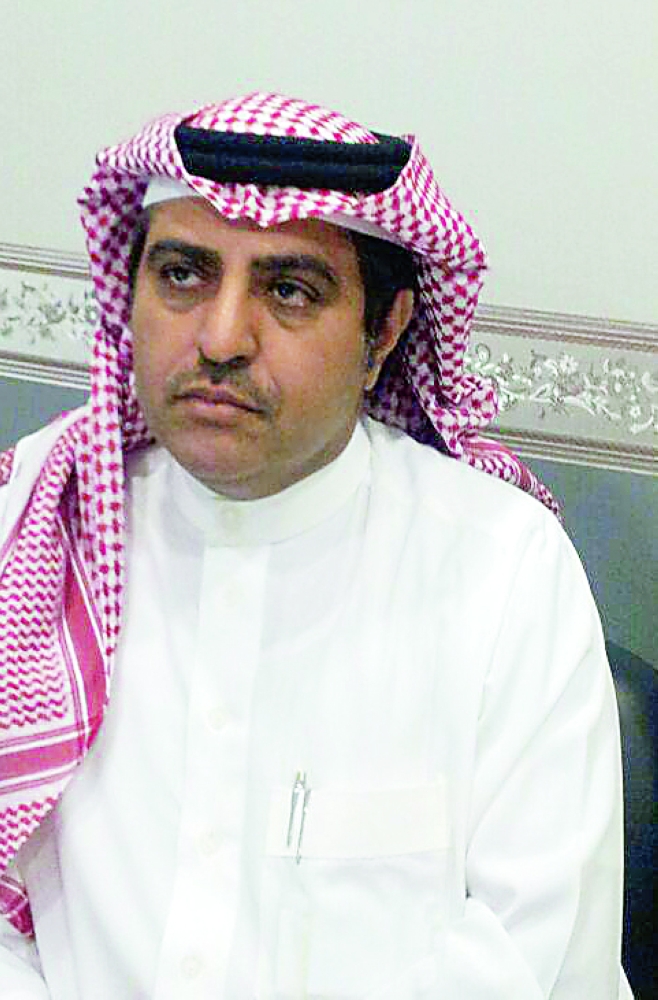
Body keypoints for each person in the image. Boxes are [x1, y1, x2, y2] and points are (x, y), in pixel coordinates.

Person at [0, 92, 631, 998]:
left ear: (384, 334)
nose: (221, 338)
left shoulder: (502, 571)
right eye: (182, 274)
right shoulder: (32, 524)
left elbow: (539, 961)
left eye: (289, 290)